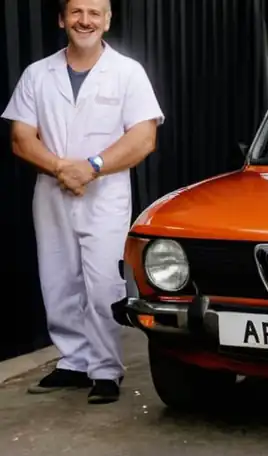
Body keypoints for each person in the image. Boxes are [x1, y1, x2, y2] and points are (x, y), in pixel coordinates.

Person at [1, 0, 164, 404]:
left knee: (102, 282)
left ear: (107, 20)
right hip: (52, 190)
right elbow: (21, 138)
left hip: (105, 191)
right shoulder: (38, 74)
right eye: (76, 12)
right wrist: (62, 168)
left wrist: (90, 167)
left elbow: (143, 138)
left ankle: (106, 370)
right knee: (57, 277)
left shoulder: (128, 73)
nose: (85, 20)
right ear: (61, 19)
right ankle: (73, 362)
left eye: (95, 13)